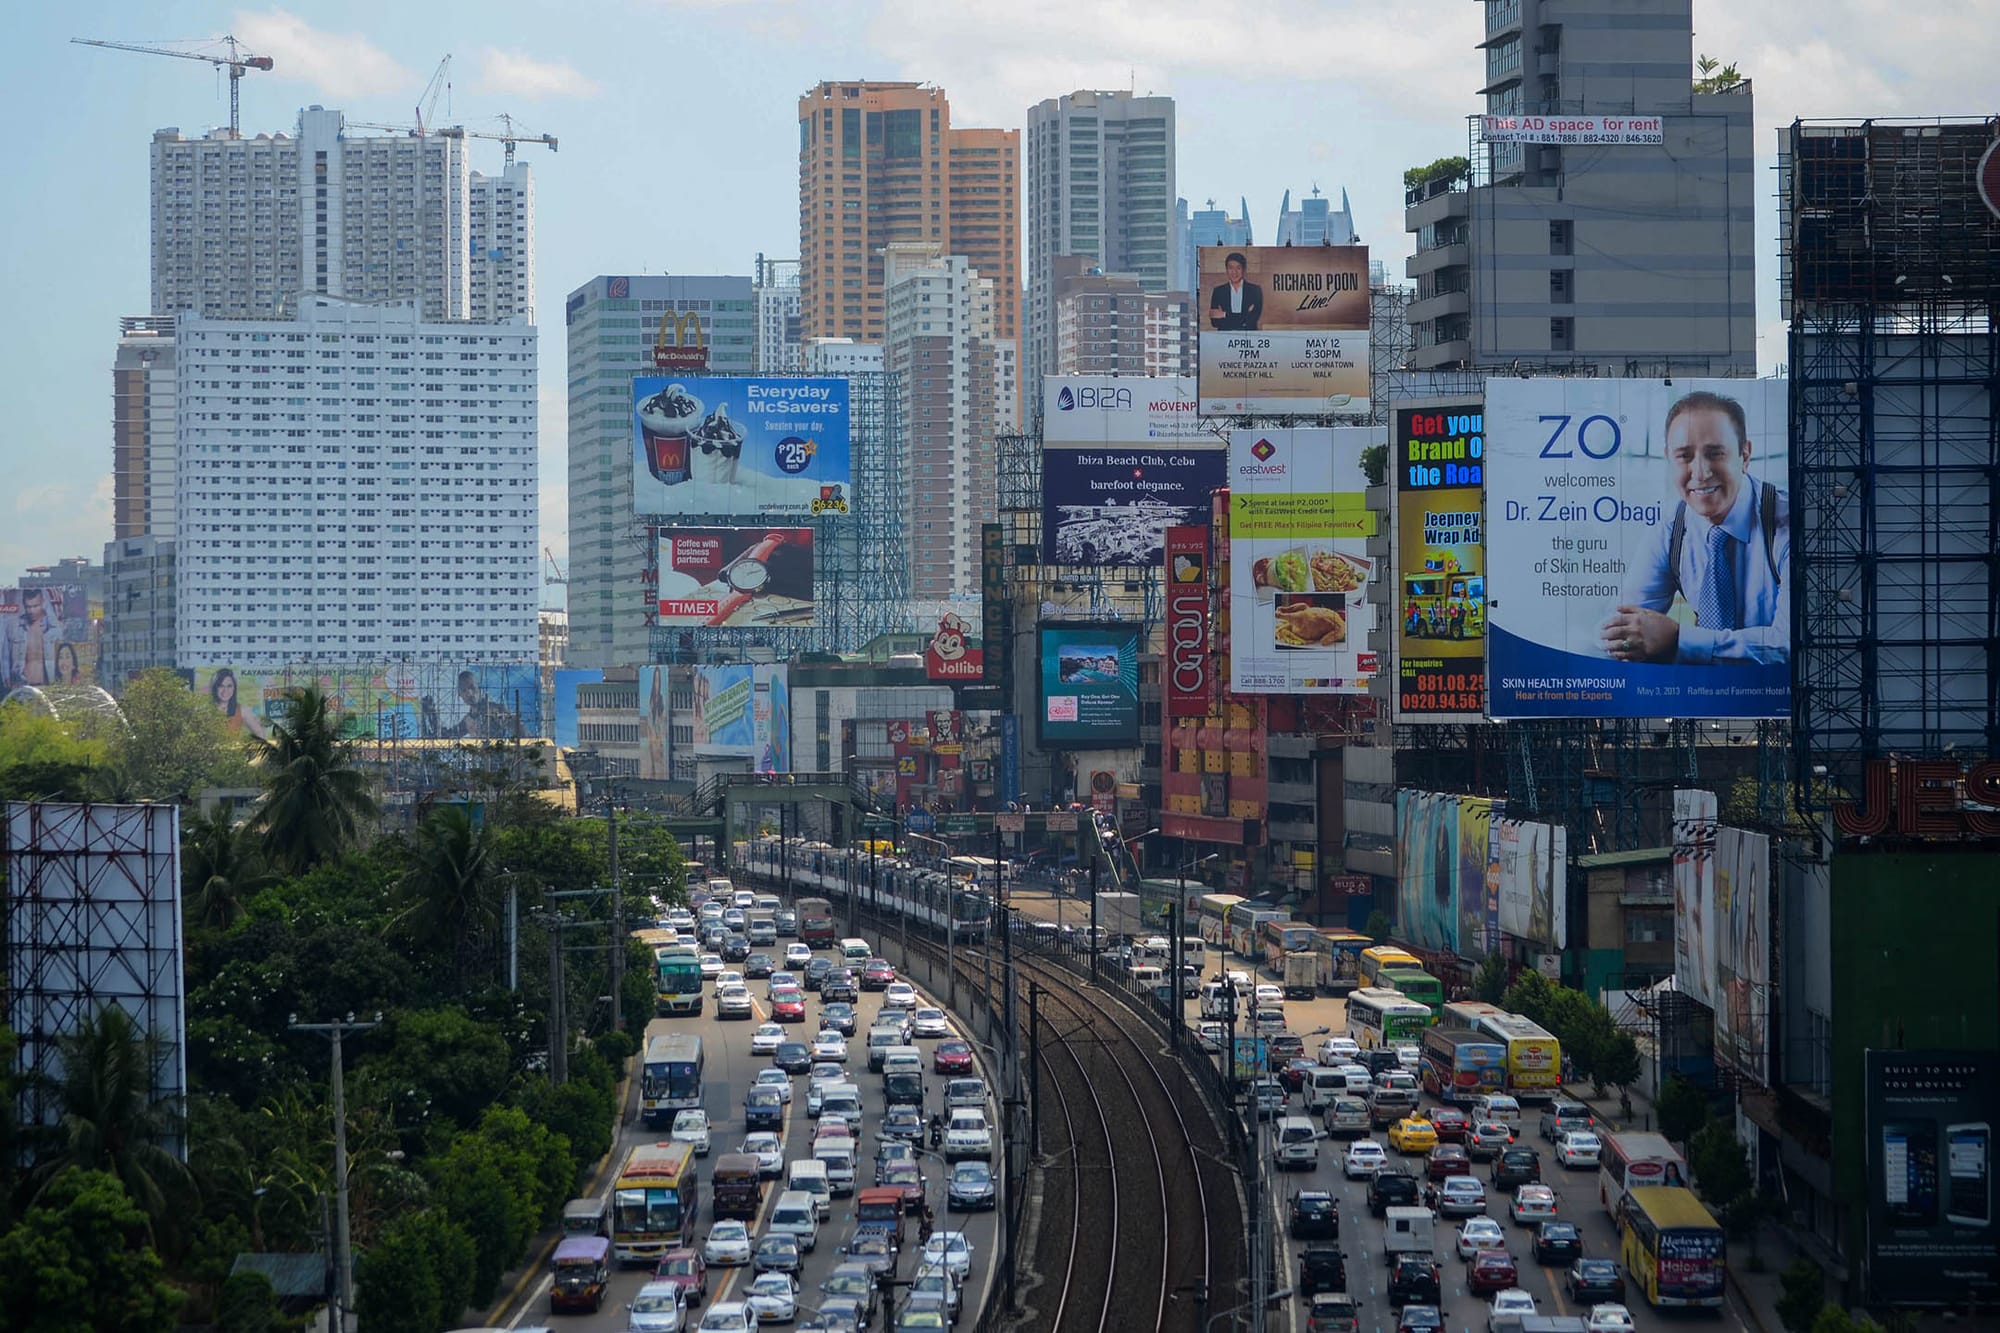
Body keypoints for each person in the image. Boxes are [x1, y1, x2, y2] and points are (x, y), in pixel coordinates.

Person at [1602, 390, 1791, 666]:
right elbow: (1614, 630)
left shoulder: (1789, 525)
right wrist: (1628, 640)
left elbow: (1791, 644)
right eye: (1684, 456)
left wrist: (1678, 639)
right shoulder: (1672, 526)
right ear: (1668, 458)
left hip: (1780, 704)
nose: (1701, 473)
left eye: (1715, 454)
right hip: (1701, 700)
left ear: (1745, 455)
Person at [434, 670, 524, 739]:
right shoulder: (469, 718)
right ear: (460, 694)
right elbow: (451, 735)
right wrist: (432, 716)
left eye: (472, 688)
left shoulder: (495, 709)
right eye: (464, 690)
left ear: (479, 688)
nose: (469, 693)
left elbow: (519, 730)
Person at [6, 588, 61, 688]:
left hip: (46, 685)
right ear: (23, 604)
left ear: (42, 603)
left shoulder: (53, 629)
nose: (31, 611)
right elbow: (6, 656)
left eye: (35, 606)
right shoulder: (15, 628)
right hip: (22, 686)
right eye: (28, 607)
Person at [1207, 252, 1264, 331]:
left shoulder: (1255, 290)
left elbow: (1251, 320)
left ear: (1243, 270)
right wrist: (1244, 316)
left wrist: (1224, 314)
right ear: (1226, 270)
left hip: (1249, 340)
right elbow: (1215, 322)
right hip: (1225, 340)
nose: (1234, 272)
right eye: (1231, 268)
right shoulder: (1218, 291)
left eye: (1238, 268)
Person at [209, 668, 271, 742]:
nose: (225, 691)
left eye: (229, 686)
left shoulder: (241, 710)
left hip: (233, 752)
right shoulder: (205, 710)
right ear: (215, 688)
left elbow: (259, 731)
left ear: (234, 688)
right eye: (221, 686)